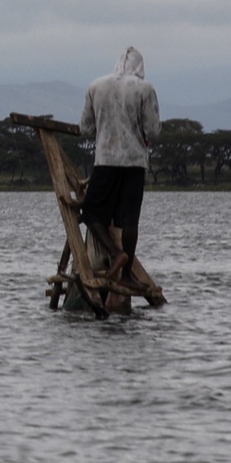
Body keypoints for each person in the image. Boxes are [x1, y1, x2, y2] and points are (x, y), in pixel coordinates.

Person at [78, 47, 161, 289]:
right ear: (140, 67)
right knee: (129, 220)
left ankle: (115, 254)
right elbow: (153, 130)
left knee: (91, 213)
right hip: (134, 162)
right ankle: (126, 274)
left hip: (105, 159)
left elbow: (85, 128)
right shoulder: (145, 89)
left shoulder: (96, 86)